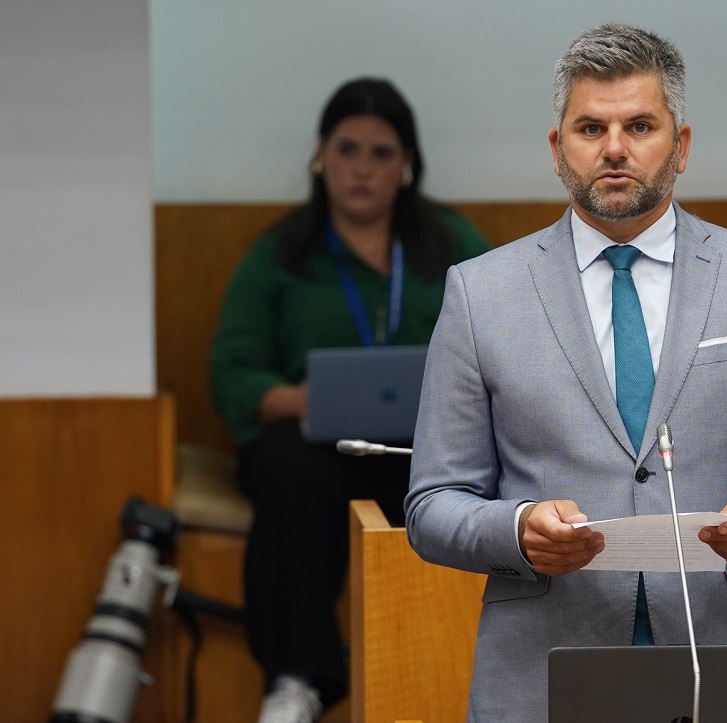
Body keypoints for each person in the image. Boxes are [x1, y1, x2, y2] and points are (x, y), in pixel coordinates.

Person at [404, 24, 727, 722]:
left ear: (681, 146)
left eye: (640, 126)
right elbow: (433, 503)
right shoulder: (480, 293)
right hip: (541, 668)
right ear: (557, 149)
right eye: (591, 128)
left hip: (724, 658)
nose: (614, 148)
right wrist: (517, 529)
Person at [209, 77, 490, 723]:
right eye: (347, 150)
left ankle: (459, 669)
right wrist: (296, 399)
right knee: (288, 464)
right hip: (315, 450)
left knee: (469, 473)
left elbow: (506, 343)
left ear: (407, 164)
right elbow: (232, 372)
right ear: (320, 155)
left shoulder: (451, 244)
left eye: (381, 153)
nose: (362, 169)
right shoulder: (281, 254)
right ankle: (296, 682)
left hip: (424, 446)